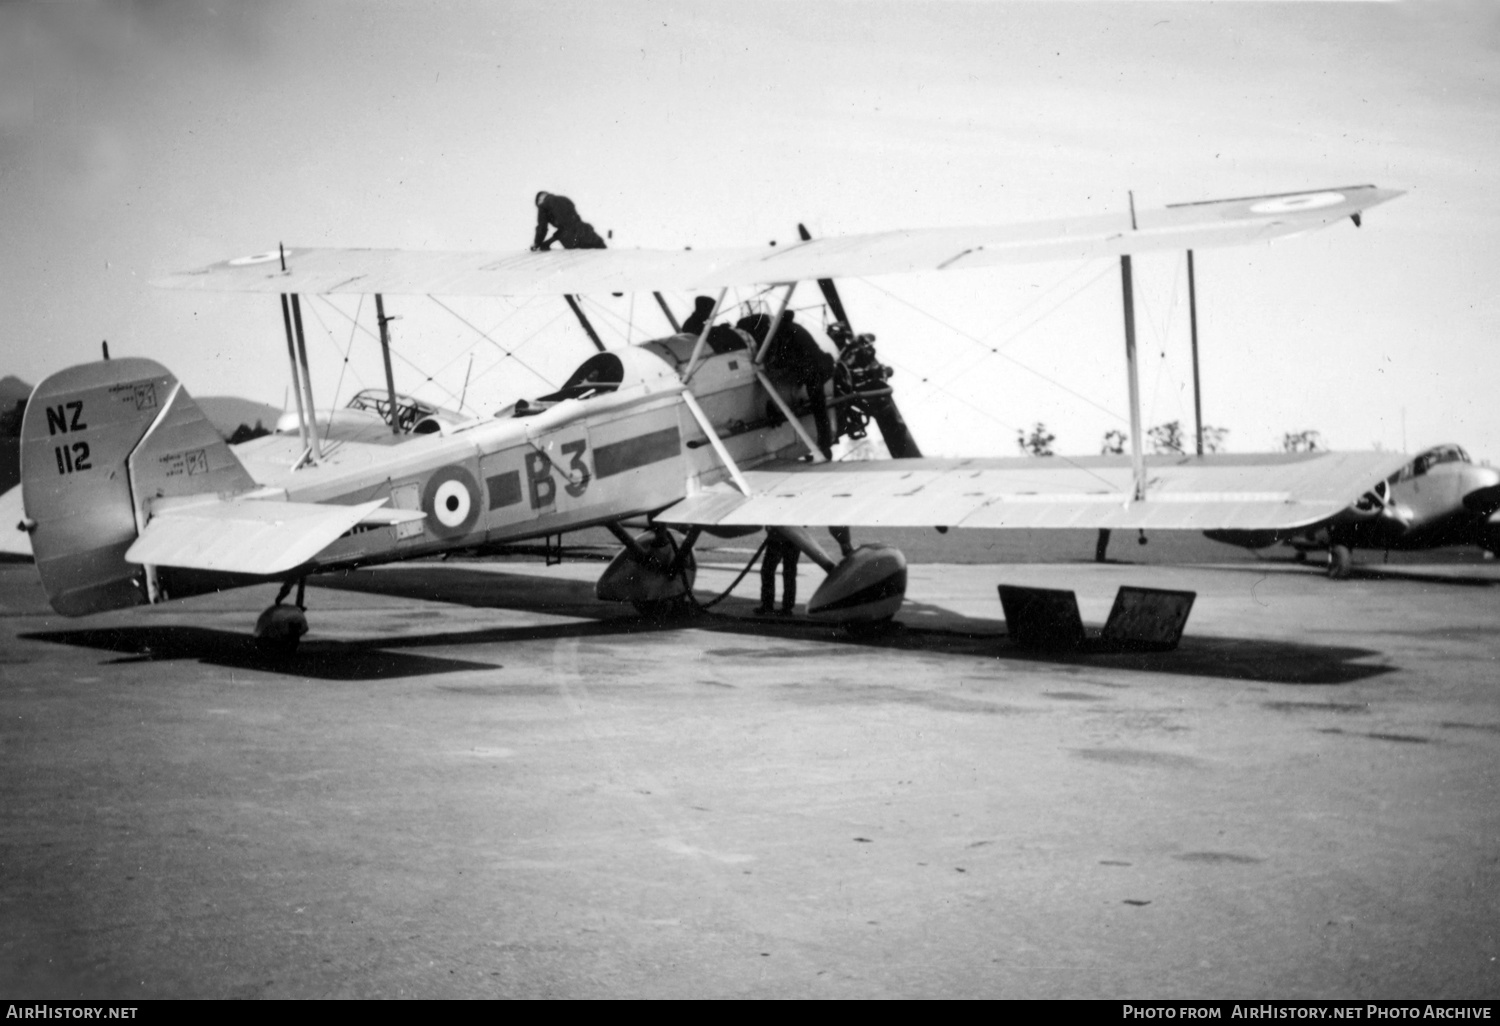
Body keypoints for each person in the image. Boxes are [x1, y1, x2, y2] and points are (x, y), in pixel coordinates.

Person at [531, 192, 606, 251]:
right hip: (587, 233)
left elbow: (542, 227)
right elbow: (570, 224)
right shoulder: (565, 199)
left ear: (539, 200)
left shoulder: (543, 206)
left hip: (572, 240)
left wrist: (537, 243)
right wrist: (548, 242)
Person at [756, 530, 800, 615]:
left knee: (769, 571)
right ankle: (786, 606)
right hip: (792, 539)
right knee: (788, 573)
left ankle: (768, 604)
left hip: (778, 539)